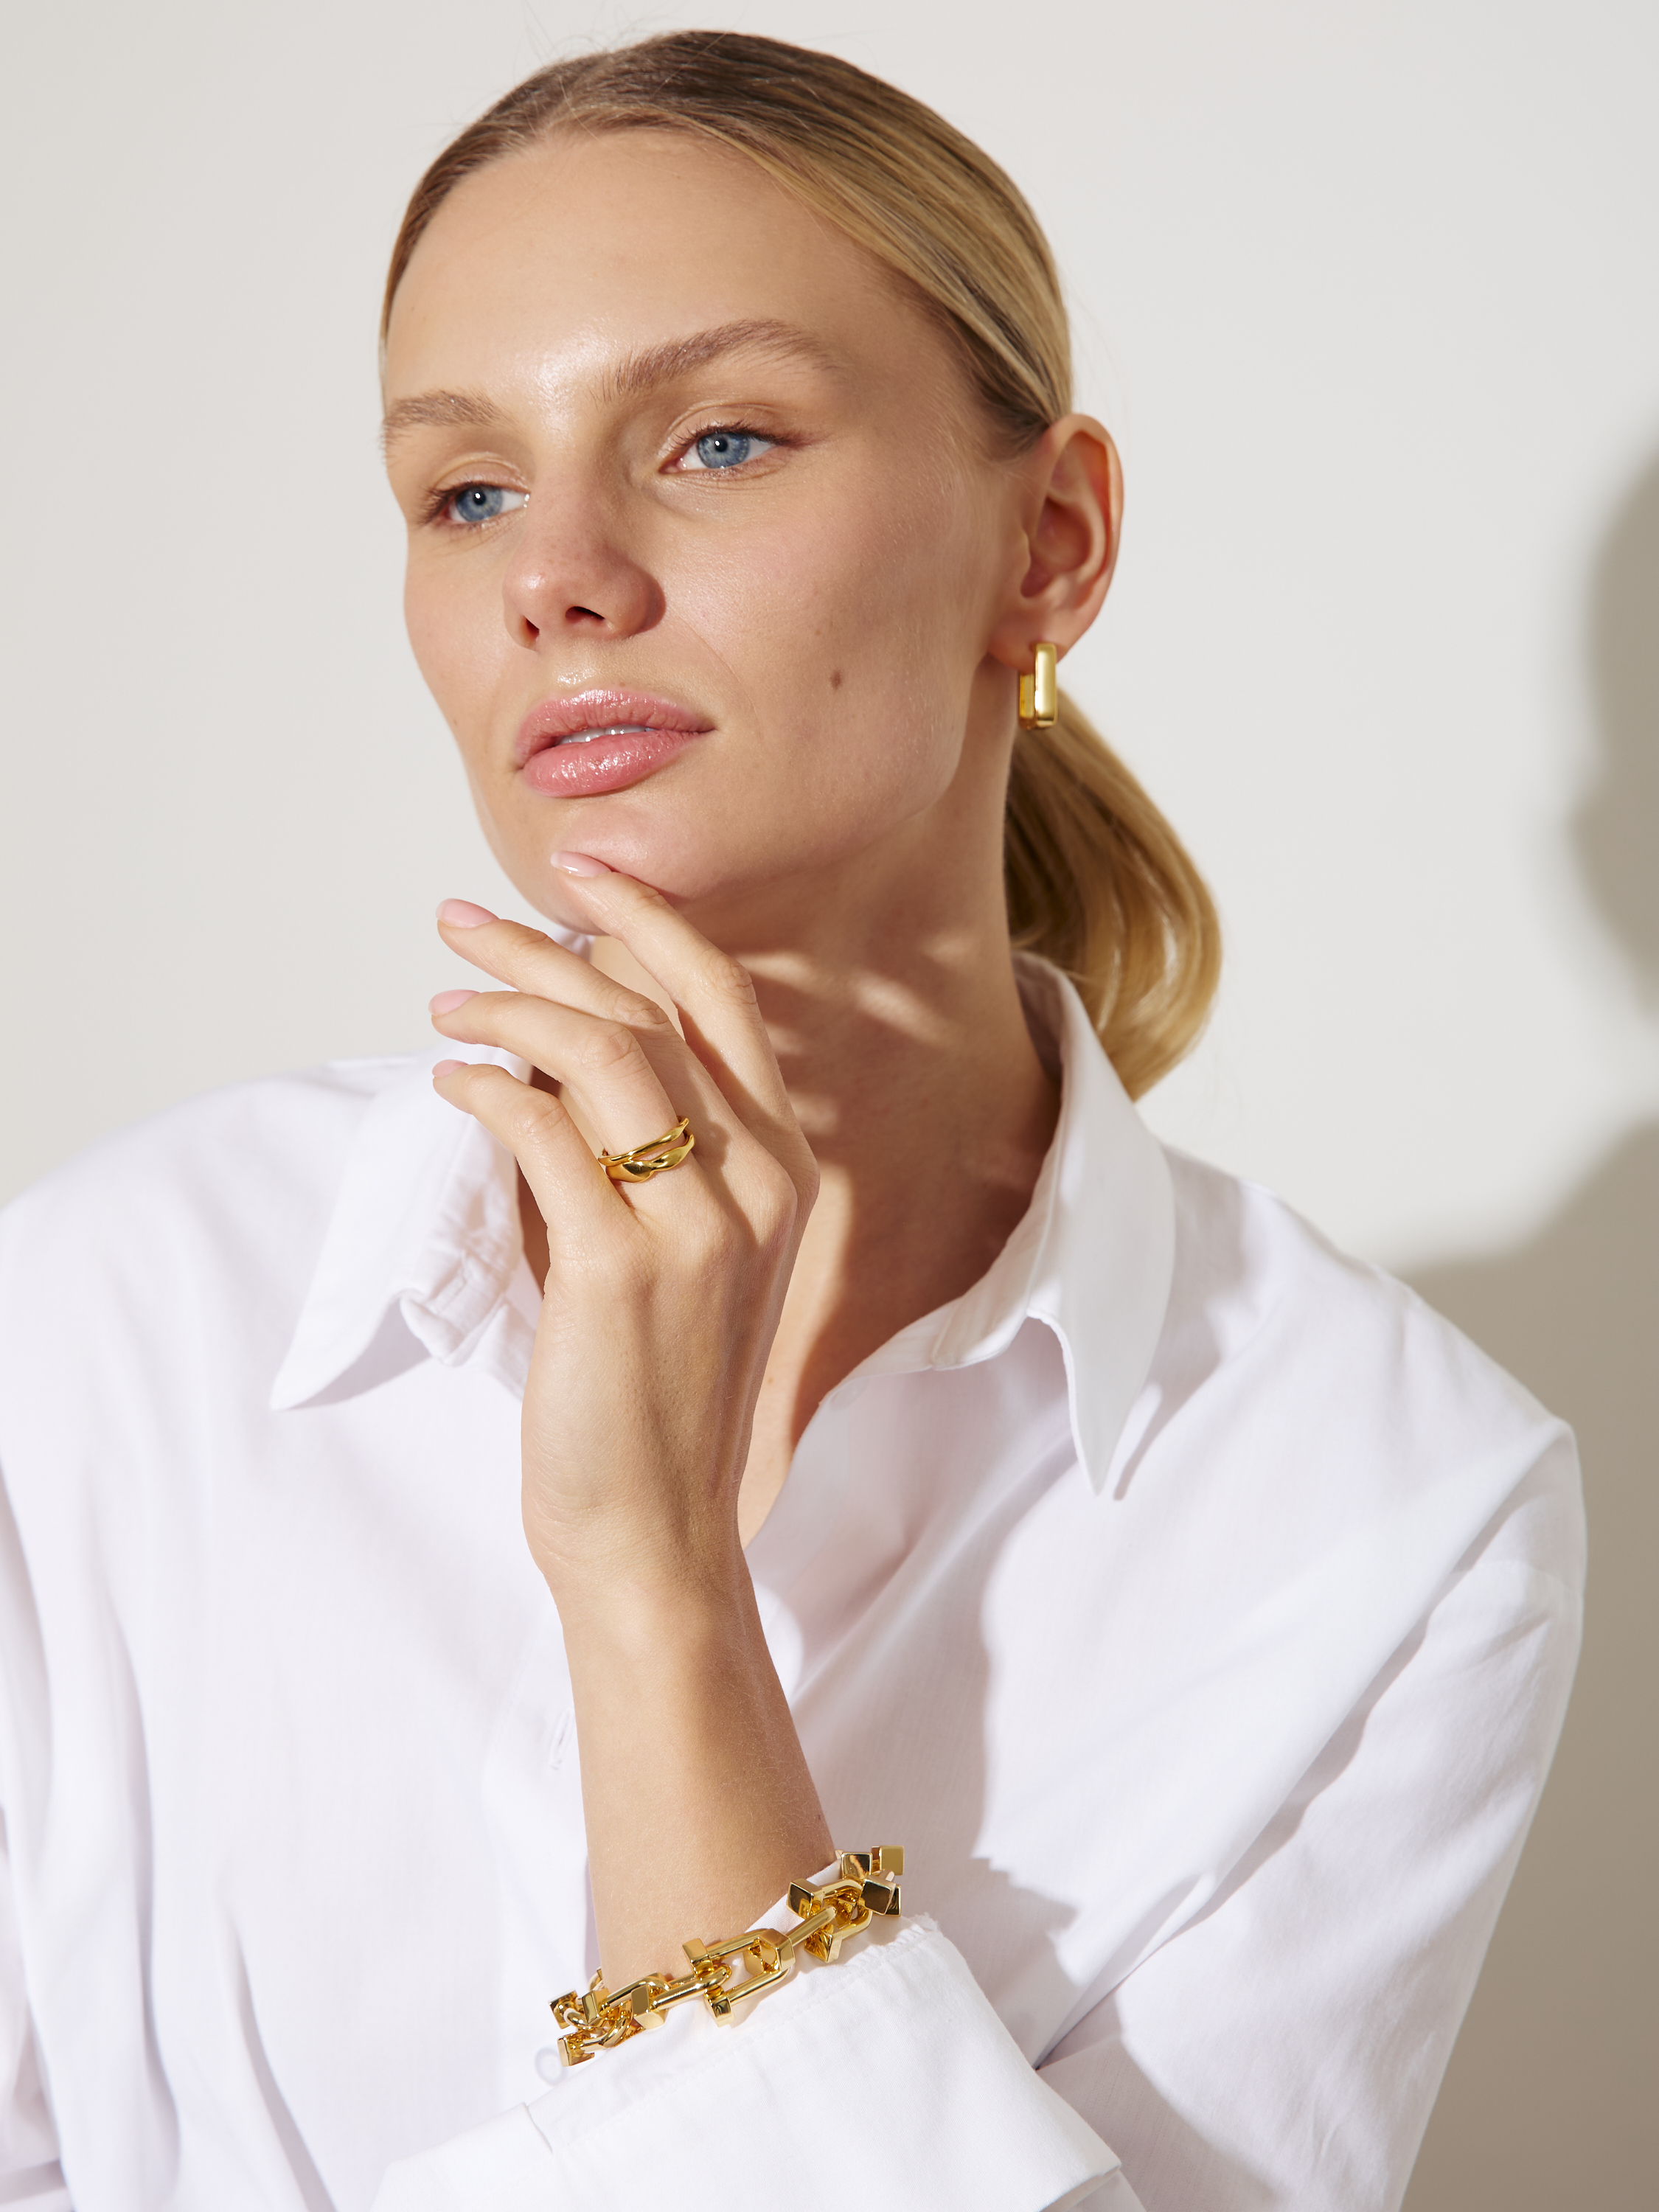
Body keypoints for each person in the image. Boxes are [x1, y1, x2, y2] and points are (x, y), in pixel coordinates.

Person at [0, 31, 1583, 2212]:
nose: (554, 574)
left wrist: (652, 1591)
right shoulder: (107, 1320)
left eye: (719, 440)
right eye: (465, 491)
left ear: (1048, 545)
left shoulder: (1388, 1511)